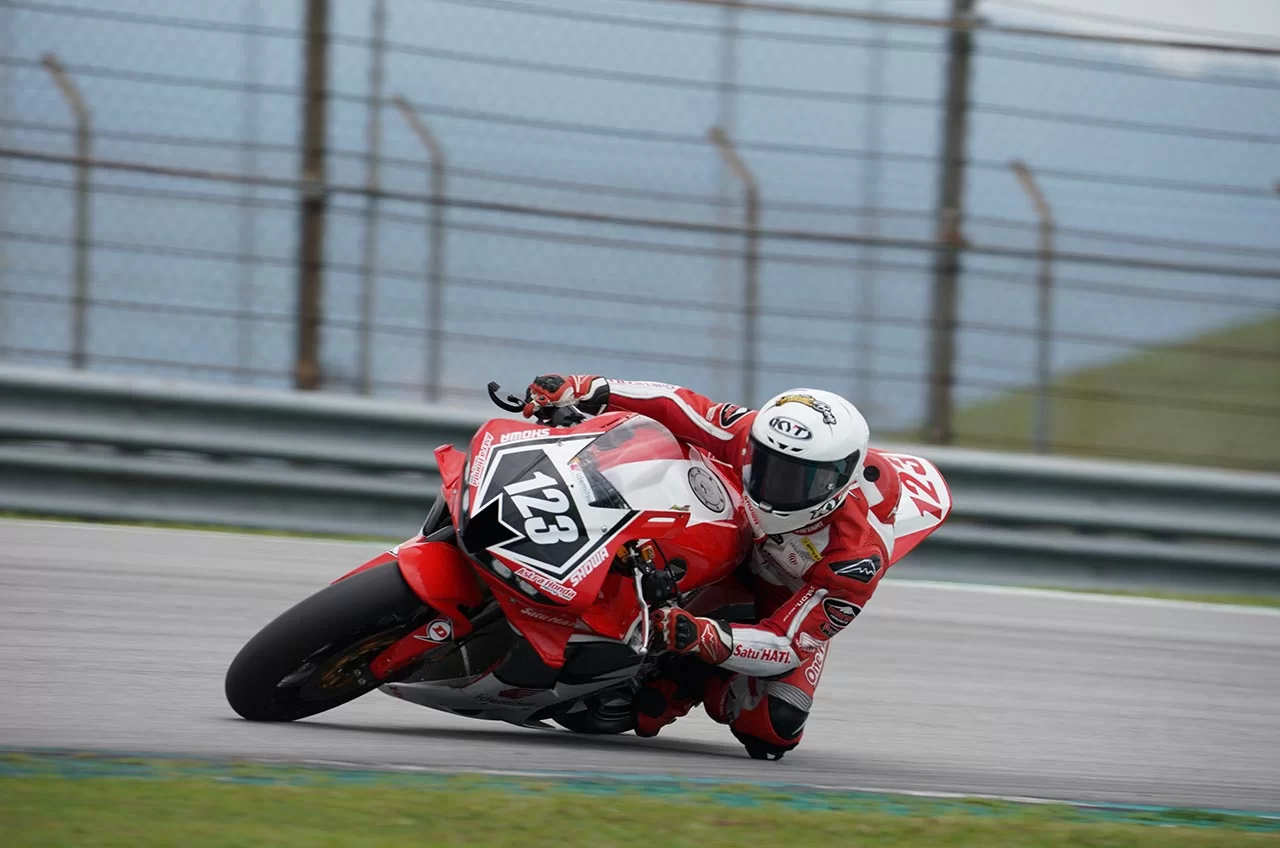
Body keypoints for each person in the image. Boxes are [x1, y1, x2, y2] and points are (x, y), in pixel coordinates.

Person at [521, 374, 904, 760]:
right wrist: (588, 388)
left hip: (782, 597)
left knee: (773, 727)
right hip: (728, 528)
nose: (774, 487)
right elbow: (683, 406)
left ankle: (686, 676)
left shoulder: (855, 560)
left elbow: (787, 643)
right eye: (767, 465)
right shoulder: (751, 435)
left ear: (841, 481)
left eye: (799, 480)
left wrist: (701, 637)